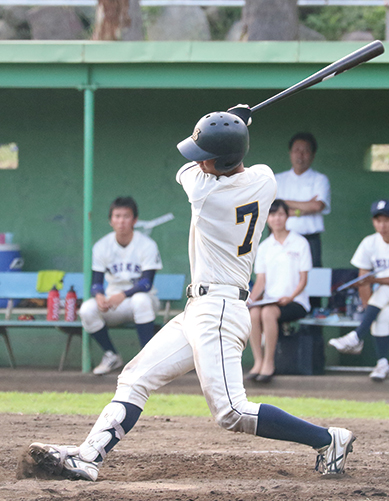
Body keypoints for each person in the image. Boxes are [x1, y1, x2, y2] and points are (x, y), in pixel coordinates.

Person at [27, 107, 355, 481]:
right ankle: (89, 457)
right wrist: (235, 130)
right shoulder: (265, 181)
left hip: (218, 310)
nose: (198, 162)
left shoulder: (203, 193)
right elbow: (237, 159)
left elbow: (186, 168)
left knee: (231, 412)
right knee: (135, 378)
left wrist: (234, 122)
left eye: (205, 157)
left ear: (221, 160)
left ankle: (329, 439)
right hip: (200, 308)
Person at [328, 200, 389, 382]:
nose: (382, 225)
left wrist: (374, 281)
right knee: (382, 312)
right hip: (384, 302)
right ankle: (382, 364)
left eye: (387, 220)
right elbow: (362, 281)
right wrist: (369, 311)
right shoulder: (369, 242)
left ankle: (357, 336)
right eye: (378, 220)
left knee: (385, 290)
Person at [78, 196, 163, 376]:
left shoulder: (147, 245)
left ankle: (147, 360)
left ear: (135, 220)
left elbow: (146, 283)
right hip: (115, 303)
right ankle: (112, 355)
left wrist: (123, 295)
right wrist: (99, 296)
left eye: (126, 216)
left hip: (143, 302)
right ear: (111, 220)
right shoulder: (102, 246)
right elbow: (96, 284)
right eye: (117, 216)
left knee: (140, 300)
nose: (121, 221)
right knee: (87, 309)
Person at [247, 198, 312, 383]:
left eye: (281, 214)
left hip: (296, 301)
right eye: (273, 214)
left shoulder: (300, 243)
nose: (277, 219)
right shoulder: (265, 247)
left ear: (287, 216)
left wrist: (290, 296)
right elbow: (261, 281)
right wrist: (250, 300)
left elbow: (303, 279)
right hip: (271, 300)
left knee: (267, 313)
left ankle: (269, 363)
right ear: (267, 218)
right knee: (254, 313)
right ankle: (258, 362)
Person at [275, 132, 330, 269]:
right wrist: (305, 208)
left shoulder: (320, 179)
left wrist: (284, 202)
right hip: (281, 238)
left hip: (310, 238)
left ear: (313, 155)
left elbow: (317, 206)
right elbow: (273, 208)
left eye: (305, 151)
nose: (300, 155)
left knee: (314, 280)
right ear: (290, 153)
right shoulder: (278, 179)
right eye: (297, 151)